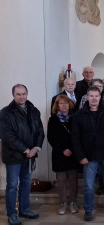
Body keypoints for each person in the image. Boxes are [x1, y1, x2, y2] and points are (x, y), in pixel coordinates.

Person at [71, 86, 104, 221]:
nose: (94, 98)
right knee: (88, 185)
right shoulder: (78, 115)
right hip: (89, 156)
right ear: (87, 97)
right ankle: (88, 209)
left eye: (96, 96)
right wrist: (81, 156)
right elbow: (75, 139)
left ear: (100, 97)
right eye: (91, 96)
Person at [0, 84, 44, 225]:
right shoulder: (5, 113)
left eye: (23, 93)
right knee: (12, 185)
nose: (21, 96)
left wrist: (36, 148)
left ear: (27, 94)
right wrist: (25, 150)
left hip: (30, 154)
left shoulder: (33, 110)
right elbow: (8, 136)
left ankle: (24, 209)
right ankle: (12, 214)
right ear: (13, 95)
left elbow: (40, 131)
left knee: (26, 183)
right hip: (14, 155)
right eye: (18, 94)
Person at [47, 95, 79, 215]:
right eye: (61, 103)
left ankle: (73, 202)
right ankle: (63, 203)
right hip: (59, 154)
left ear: (69, 104)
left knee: (73, 180)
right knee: (60, 180)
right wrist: (63, 150)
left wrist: (71, 149)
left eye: (66, 102)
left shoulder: (75, 118)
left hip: (73, 153)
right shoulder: (53, 120)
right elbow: (51, 138)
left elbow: (77, 135)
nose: (64, 105)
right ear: (57, 106)